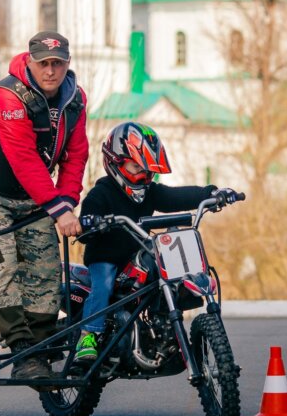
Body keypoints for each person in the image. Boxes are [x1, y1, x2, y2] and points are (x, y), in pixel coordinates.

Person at [0, 31, 87, 382]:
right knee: (3, 265)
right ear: (29, 61)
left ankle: (39, 349)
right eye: (43, 63)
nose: (50, 71)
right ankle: (18, 347)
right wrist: (58, 209)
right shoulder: (6, 99)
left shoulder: (75, 101)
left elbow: (76, 156)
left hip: (33, 196)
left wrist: (69, 201)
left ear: (67, 64)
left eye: (57, 63)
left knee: (45, 267)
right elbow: (24, 159)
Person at [73, 122, 221, 365]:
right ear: (115, 163)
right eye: (135, 167)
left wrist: (211, 193)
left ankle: (162, 333)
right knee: (104, 284)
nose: (143, 176)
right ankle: (88, 336)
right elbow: (86, 220)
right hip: (106, 258)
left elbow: (177, 196)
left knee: (166, 276)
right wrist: (91, 222)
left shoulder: (150, 191)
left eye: (147, 170)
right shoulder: (101, 193)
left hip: (138, 254)